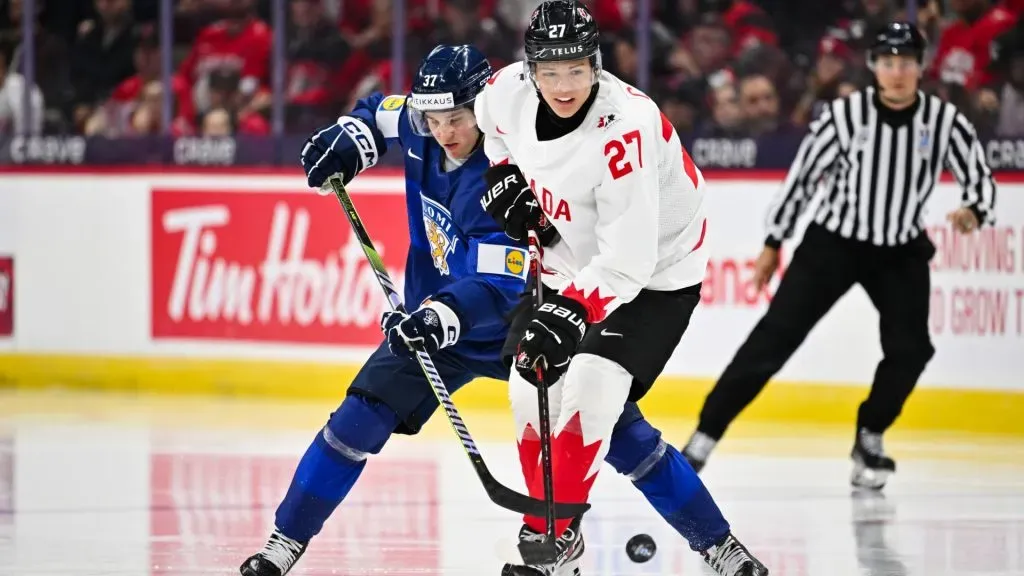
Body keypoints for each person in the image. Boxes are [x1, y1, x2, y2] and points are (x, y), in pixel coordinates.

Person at [239, 43, 763, 576]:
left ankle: (719, 546)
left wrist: (438, 317)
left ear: (483, 107)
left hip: (517, 324)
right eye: (434, 118)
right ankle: (284, 543)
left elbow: (497, 285)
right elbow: (379, 113)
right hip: (434, 327)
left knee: (624, 440)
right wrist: (351, 140)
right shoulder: (426, 124)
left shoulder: (514, 159)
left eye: (458, 118)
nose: (444, 131)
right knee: (355, 421)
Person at [475, 2, 769, 575]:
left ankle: (548, 542)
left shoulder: (622, 128)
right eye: (550, 71)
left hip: (656, 277)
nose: (564, 85)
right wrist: (502, 175)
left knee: (589, 388)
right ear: (530, 69)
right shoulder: (506, 91)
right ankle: (567, 537)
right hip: (569, 264)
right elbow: (491, 133)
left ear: (597, 64)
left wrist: (572, 314)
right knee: (528, 392)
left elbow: (628, 263)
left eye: (577, 70)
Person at [680, 22, 997, 490]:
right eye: (888, 63)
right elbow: (804, 179)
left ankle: (870, 435)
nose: (897, 73)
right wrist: (774, 242)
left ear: (920, 67)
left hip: (900, 249)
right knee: (775, 338)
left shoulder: (944, 120)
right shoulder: (845, 117)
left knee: (911, 349)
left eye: (906, 63)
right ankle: (704, 436)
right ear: (874, 67)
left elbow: (979, 178)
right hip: (834, 243)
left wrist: (974, 209)